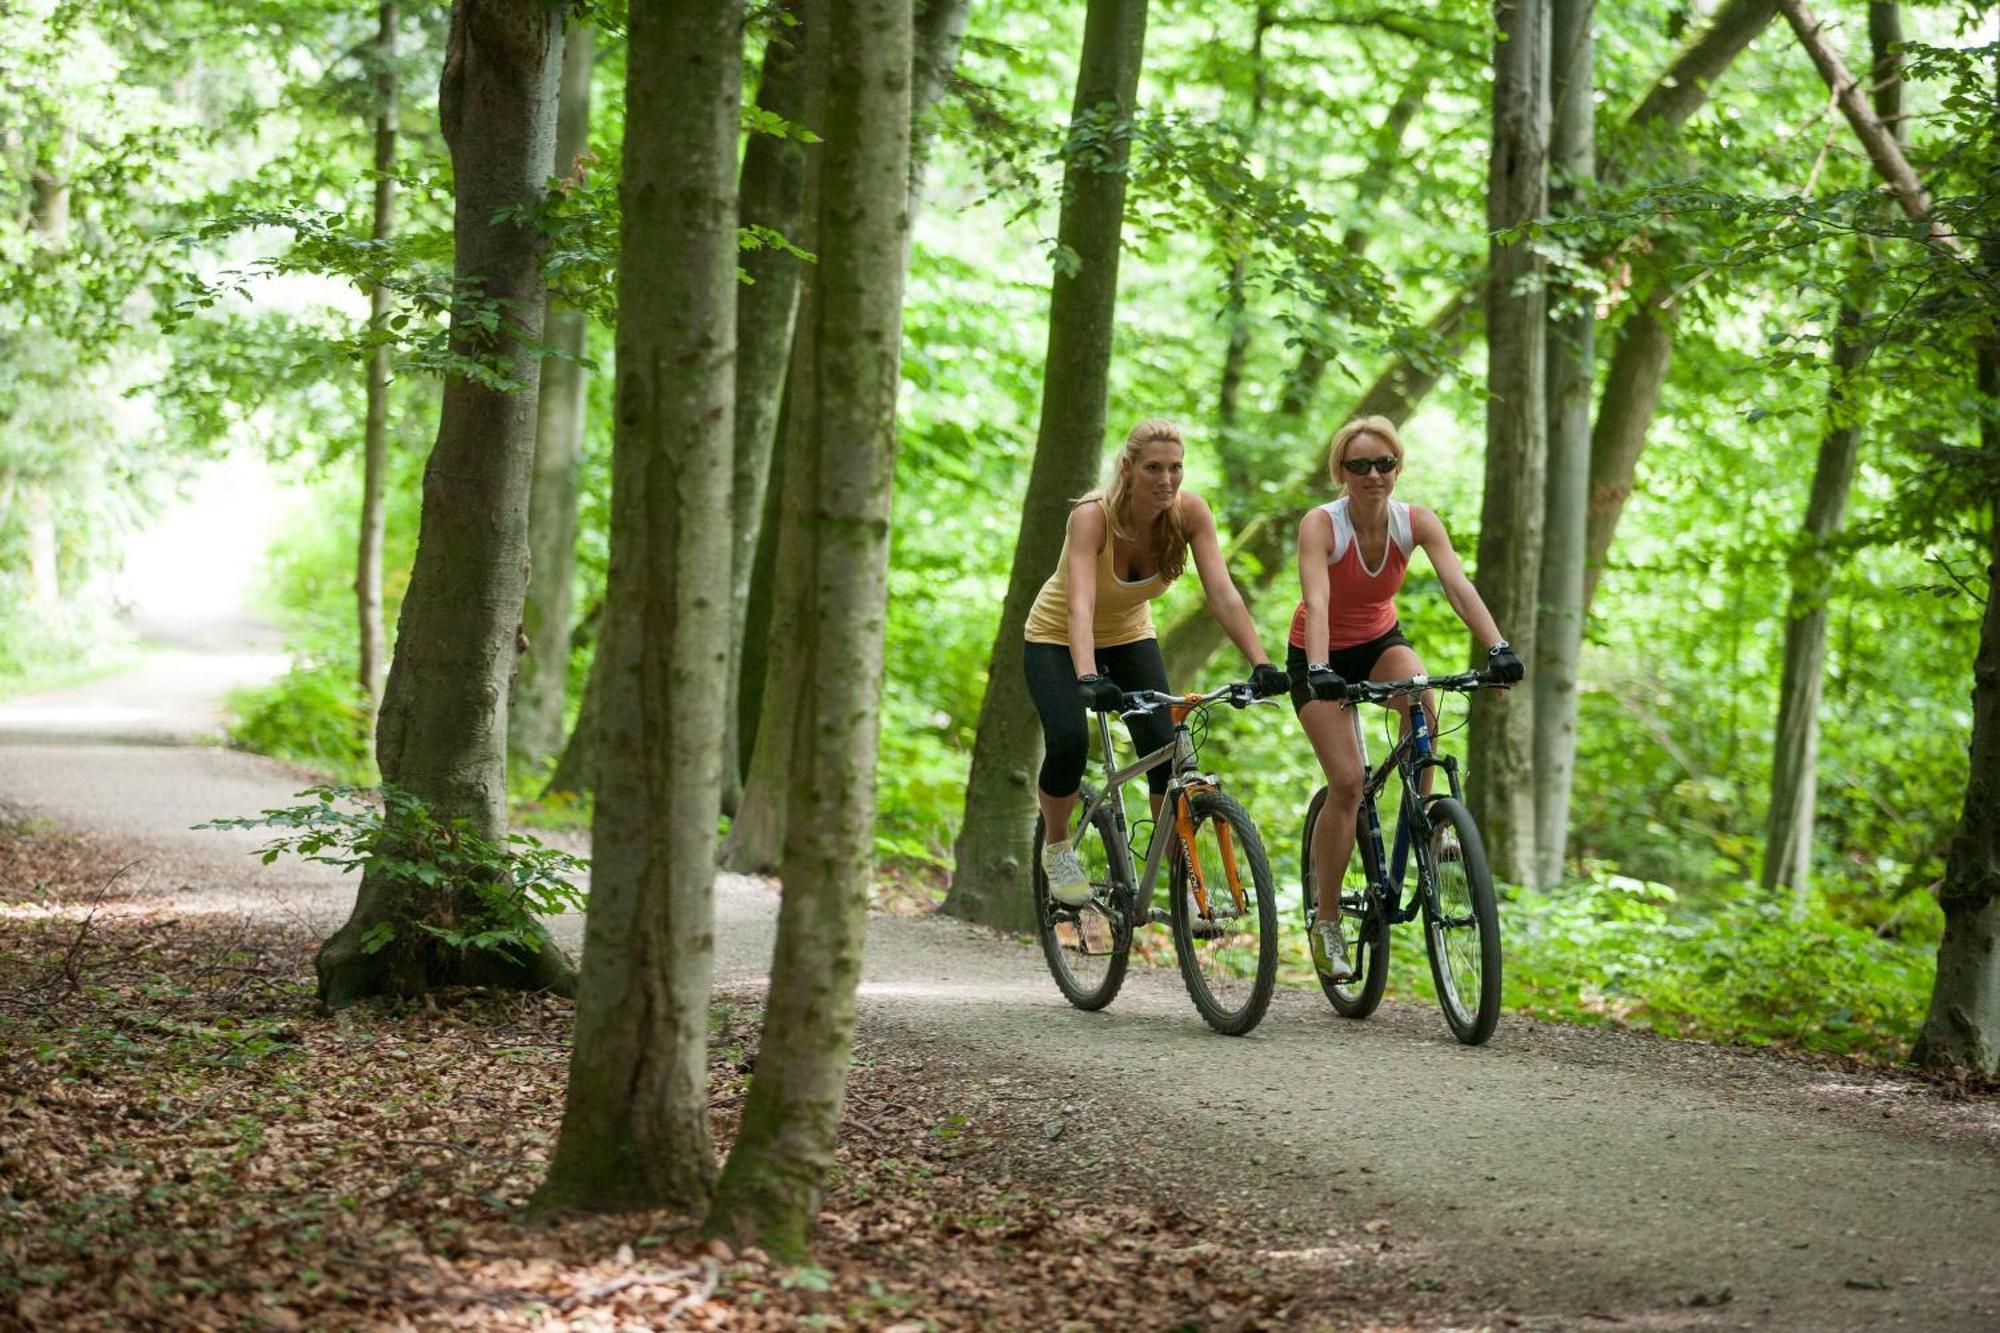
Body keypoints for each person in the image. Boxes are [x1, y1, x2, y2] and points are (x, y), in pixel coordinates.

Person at [1289, 415, 1524, 980]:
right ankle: (1326, 923)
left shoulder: (1414, 522)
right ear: (1340, 472)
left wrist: (1498, 647)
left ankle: (1421, 815)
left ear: (1398, 467)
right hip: (1317, 653)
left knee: (1421, 695)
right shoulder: (1322, 525)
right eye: (1359, 465)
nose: (1374, 475)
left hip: (1378, 642)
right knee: (1347, 783)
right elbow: (1316, 602)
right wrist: (1320, 667)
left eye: (1384, 464)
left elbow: (1457, 587)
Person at [1025, 418, 1292, 907]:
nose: (1167, 479)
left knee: (1165, 754)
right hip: (1056, 639)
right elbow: (1079, 605)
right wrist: (1086, 675)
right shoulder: (1092, 516)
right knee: (1068, 741)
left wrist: (1261, 663)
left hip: (1128, 636)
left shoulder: (1189, 514)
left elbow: (1223, 594)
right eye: (1153, 468)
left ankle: (1181, 880)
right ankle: (1058, 846)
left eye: (1176, 468)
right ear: (1127, 468)